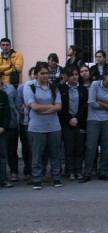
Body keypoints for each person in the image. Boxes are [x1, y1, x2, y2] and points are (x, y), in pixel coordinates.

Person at [24, 62, 62, 190]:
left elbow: (59, 106)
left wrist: (43, 109)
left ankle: (56, 177)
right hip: (36, 127)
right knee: (37, 154)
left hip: (54, 126)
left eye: (47, 73)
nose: (45, 76)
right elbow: (33, 106)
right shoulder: (30, 86)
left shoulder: (53, 87)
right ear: (36, 74)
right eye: (42, 73)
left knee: (55, 154)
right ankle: (37, 178)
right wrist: (50, 107)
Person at [79, 67, 108, 183]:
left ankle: (103, 171)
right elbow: (91, 103)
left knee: (106, 147)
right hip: (93, 120)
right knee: (91, 147)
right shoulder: (95, 84)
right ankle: (87, 172)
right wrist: (107, 104)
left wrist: (100, 102)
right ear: (104, 76)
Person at [58, 65, 88, 181]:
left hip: (79, 122)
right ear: (67, 76)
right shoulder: (61, 89)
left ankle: (79, 170)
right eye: (72, 75)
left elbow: (84, 106)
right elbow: (62, 107)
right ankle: (70, 171)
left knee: (79, 148)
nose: (75, 77)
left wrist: (77, 118)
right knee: (69, 147)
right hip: (67, 122)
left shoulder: (83, 89)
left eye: (76, 74)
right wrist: (69, 119)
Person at [0, 82, 11, 188]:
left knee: (3, 156)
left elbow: (7, 113)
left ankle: (3, 179)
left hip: (1, 130)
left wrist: (3, 127)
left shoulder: (3, 95)